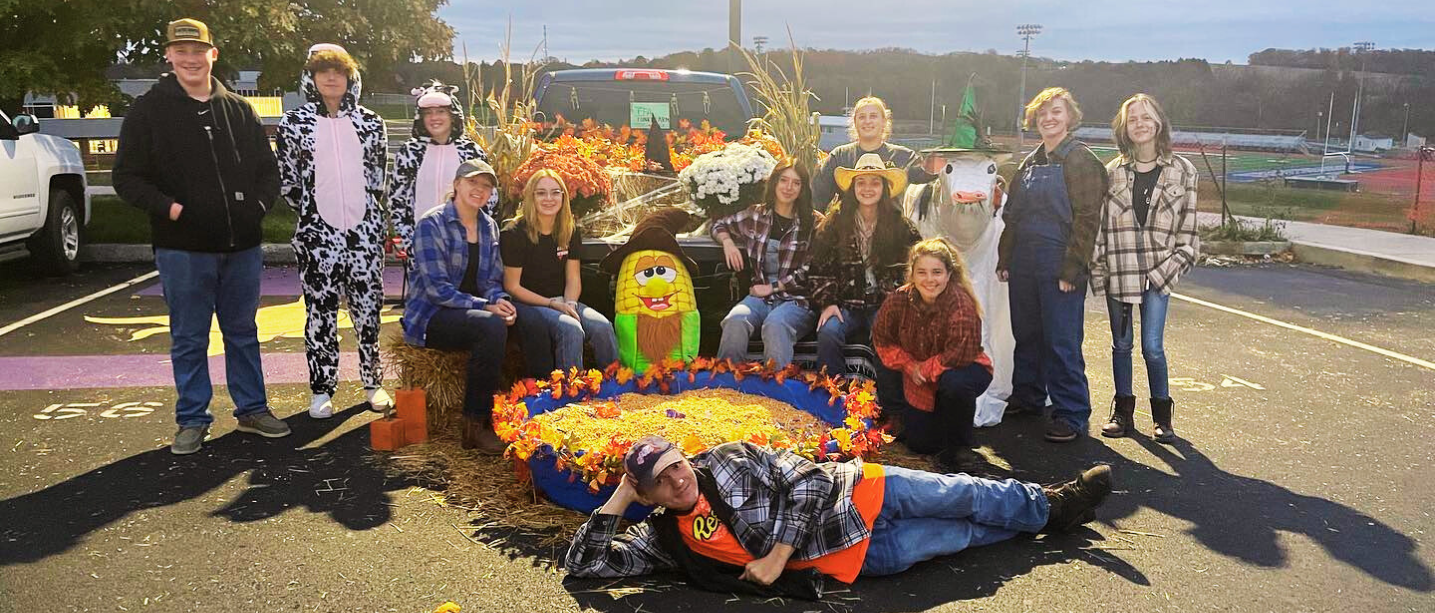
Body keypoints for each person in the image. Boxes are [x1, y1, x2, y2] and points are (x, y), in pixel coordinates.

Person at [565, 435, 1112, 594]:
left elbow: (809, 479)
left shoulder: (729, 460)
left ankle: (1053, 504)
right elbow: (585, 568)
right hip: (853, 557)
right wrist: (617, 501)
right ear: (648, 493)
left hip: (863, 493)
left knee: (965, 493)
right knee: (963, 534)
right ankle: (1045, 522)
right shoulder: (662, 540)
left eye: (676, 466)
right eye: (660, 481)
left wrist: (777, 556)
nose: (677, 480)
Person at [112, 18, 291, 454]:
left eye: (199, 50)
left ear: (213, 55)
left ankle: (252, 409)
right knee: (190, 337)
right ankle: (192, 418)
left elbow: (268, 171)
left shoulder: (238, 110)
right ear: (170, 56)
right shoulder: (149, 110)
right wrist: (171, 209)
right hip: (183, 249)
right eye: (181, 50)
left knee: (243, 332)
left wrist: (259, 208)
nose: (191, 58)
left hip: (241, 247)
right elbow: (127, 178)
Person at [275, 44, 391, 419]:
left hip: (364, 235)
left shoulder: (372, 123)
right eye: (322, 70)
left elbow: (378, 176)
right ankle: (321, 388)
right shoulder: (294, 124)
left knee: (368, 311)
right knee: (320, 313)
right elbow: (289, 181)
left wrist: (369, 219)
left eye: (337, 71)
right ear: (310, 77)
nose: (330, 77)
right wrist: (313, 217)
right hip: (317, 235)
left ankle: (373, 383)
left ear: (349, 77)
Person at [402, 160, 548, 452]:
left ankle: (540, 409)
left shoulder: (488, 226)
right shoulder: (432, 224)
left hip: (474, 311)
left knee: (532, 321)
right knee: (490, 326)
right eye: (472, 183)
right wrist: (486, 307)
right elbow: (437, 290)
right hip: (433, 316)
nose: (479, 190)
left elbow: (492, 280)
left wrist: (501, 302)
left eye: (486, 186)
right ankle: (475, 425)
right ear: (456, 184)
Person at [995, 87, 1108, 443]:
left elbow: (1088, 219)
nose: (1049, 118)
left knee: (1062, 340)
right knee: (1027, 334)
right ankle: (1028, 396)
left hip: (1060, 262)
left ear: (1070, 117)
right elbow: (1012, 216)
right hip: (1025, 261)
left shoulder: (1081, 160)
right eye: (1042, 113)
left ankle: (1071, 412)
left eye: (1056, 112)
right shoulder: (1029, 163)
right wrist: (1006, 257)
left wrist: (1072, 268)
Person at [1092, 94, 1200, 443]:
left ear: (1158, 122)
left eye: (1146, 116)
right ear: (1124, 127)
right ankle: (1122, 413)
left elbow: (1190, 235)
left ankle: (1162, 417)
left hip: (1159, 271)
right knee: (1121, 344)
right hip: (1119, 270)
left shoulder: (1183, 171)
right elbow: (1100, 230)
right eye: (1132, 118)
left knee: (1152, 346)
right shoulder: (1111, 173)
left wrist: (1166, 270)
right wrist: (1098, 271)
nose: (1140, 123)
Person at [872, 238, 994, 470]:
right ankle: (916, 421)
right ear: (912, 275)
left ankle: (961, 446)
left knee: (955, 384)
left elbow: (960, 352)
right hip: (917, 374)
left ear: (949, 274)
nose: (929, 279)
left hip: (961, 367)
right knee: (921, 444)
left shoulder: (960, 302)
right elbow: (882, 337)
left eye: (937, 272)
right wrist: (909, 365)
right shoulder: (899, 299)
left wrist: (924, 369)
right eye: (922, 272)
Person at [808, 154, 923, 377]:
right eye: (861, 182)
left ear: (884, 188)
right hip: (845, 302)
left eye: (874, 182)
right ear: (853, 188)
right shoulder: (835, 222)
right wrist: (828, 302)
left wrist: (897, 304)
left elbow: (914, 269)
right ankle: (833, 393)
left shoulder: (901, 226)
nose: (867, 188)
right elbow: (818, 268)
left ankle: (887, 401)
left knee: (890, 337)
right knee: (828, 332)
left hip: (884, 303)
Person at [501, 170, 618, 372]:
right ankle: (570, 394)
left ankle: (617, 387)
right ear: (531, 197)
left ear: (563, 197)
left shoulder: (569, 230)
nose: (549, 198)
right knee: (571, 329)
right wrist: (552, 304)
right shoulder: (514, 233)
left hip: (562, 300)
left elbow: (573, 278)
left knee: (603, 327)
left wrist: (570, 303)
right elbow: (512, 287)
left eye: (555, 192)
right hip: (529, 303)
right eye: (541, 193)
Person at [712, 158, 822, 368]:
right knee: (735, 320)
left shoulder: (813, 222)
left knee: (775, 325)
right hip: (760, 299)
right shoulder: (756, 215)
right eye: (783, 180)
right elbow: (719, 225)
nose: (788, 188)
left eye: (796, 183)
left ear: (802, 189)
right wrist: (727, 242)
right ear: (774, 183)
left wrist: (773, 287)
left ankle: (775, 391)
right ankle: (726, 387)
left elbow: (812, 269)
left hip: (796, 300)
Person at [387, 80, 490, 258]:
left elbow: (488, 199)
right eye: (429, 113)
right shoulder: (409, 152)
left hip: (464, 246)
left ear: (452, 115)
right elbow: (397, 200)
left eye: (441, 111)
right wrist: (409, 240)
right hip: (422, 246)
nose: (435, 118)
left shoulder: (472, 152)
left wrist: (475, 240)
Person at [810, 97, 940, 210]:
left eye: (873, 116)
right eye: (862, 117)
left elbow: (929, 178)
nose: (867, 121)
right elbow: (817, 198)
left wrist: (939, 164)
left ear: (884, 121)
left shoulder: (904, 157)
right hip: (847, 231)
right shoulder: (839, 156)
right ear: (855, 122)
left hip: (892, 232)